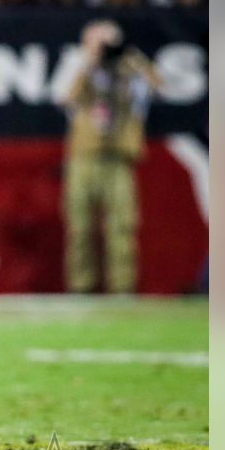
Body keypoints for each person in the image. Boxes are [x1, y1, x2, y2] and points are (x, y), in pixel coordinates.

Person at [63, 20, 162, 294]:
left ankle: (123, 287)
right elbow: (67, 97)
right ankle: (80, 287)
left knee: (122, 226)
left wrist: (133, 57)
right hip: (84, 155)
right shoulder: (79, 65)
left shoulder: (130, 71)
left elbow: (160, 85)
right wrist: (90, 61)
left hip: (119, 158)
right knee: (79, 227)